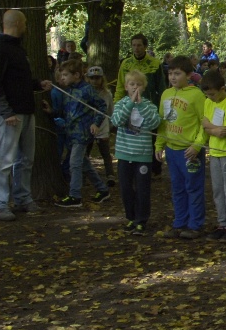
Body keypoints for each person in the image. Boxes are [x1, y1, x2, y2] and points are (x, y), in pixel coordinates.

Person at [0, 10, 52, 221]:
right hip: (11, 114)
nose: (26, 26)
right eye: (24, 22)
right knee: (5, 160)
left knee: (26, 159)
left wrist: (37, 84)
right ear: (16, 23)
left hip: (26, 110)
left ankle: (23, 198)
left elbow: (19, 81)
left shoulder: (18, 48)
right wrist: (6, 111)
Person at [155, 55, 208, 239]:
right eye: (170, 73)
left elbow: (204, 123)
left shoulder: (196, 95)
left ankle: (195, 225)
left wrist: (197, 146)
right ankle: (179, 223)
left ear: (189, 75)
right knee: (177, 188)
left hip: (189, 151)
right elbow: (162, 122)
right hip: (171, 149)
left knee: (193, 187)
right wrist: (159, 145)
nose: (173, 77)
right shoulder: (166, 94)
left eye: (177, 73)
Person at [50, 61, 110, 208]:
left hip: (82, 133)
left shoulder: (87, 89)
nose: (62, 78)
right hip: (70, 133)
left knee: (74, 163)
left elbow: (102, 106)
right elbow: (67, 111)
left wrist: (96, 123)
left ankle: (75, 196)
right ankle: (102, 190)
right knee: (84, 163)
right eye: (61, 75)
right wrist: (51, 112)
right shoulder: (68, 90)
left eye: (65, 75)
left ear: (76, 75)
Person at [108, 70, 161, 234]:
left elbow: (154, 123)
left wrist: (141, 105)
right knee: (126, 189)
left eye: (139, 84)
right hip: (124, 155)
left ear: (143, 87)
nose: (135, 87)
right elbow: (116, 121)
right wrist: (130, 104)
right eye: (132, 84)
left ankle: (141, 220)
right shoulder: (121, 104)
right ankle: (130, 217)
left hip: (142, 156)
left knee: (142, 189)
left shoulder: (149, 105)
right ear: (126, 86)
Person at [197, 70, 226, 241]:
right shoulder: (208, 102)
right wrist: (210, 129)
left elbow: (225, 131)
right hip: (213, 152)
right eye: (207, 95)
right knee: (218, 190)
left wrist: (209, 127)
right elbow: (205, 127)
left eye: (212, 94)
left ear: (222, 89)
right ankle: (222, 223)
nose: (210, 97)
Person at [86, 66, 114, 180]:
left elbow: (110, 110)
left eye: (97, 78)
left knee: (105, 152)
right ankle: (83, 175)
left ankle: (110, 174)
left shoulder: (107, 94)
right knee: (85, 152)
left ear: (102, 79)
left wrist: (110, 125)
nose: (94, 81)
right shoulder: (85, 93)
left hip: (103, 127)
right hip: (88, 126)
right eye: (92, 78)